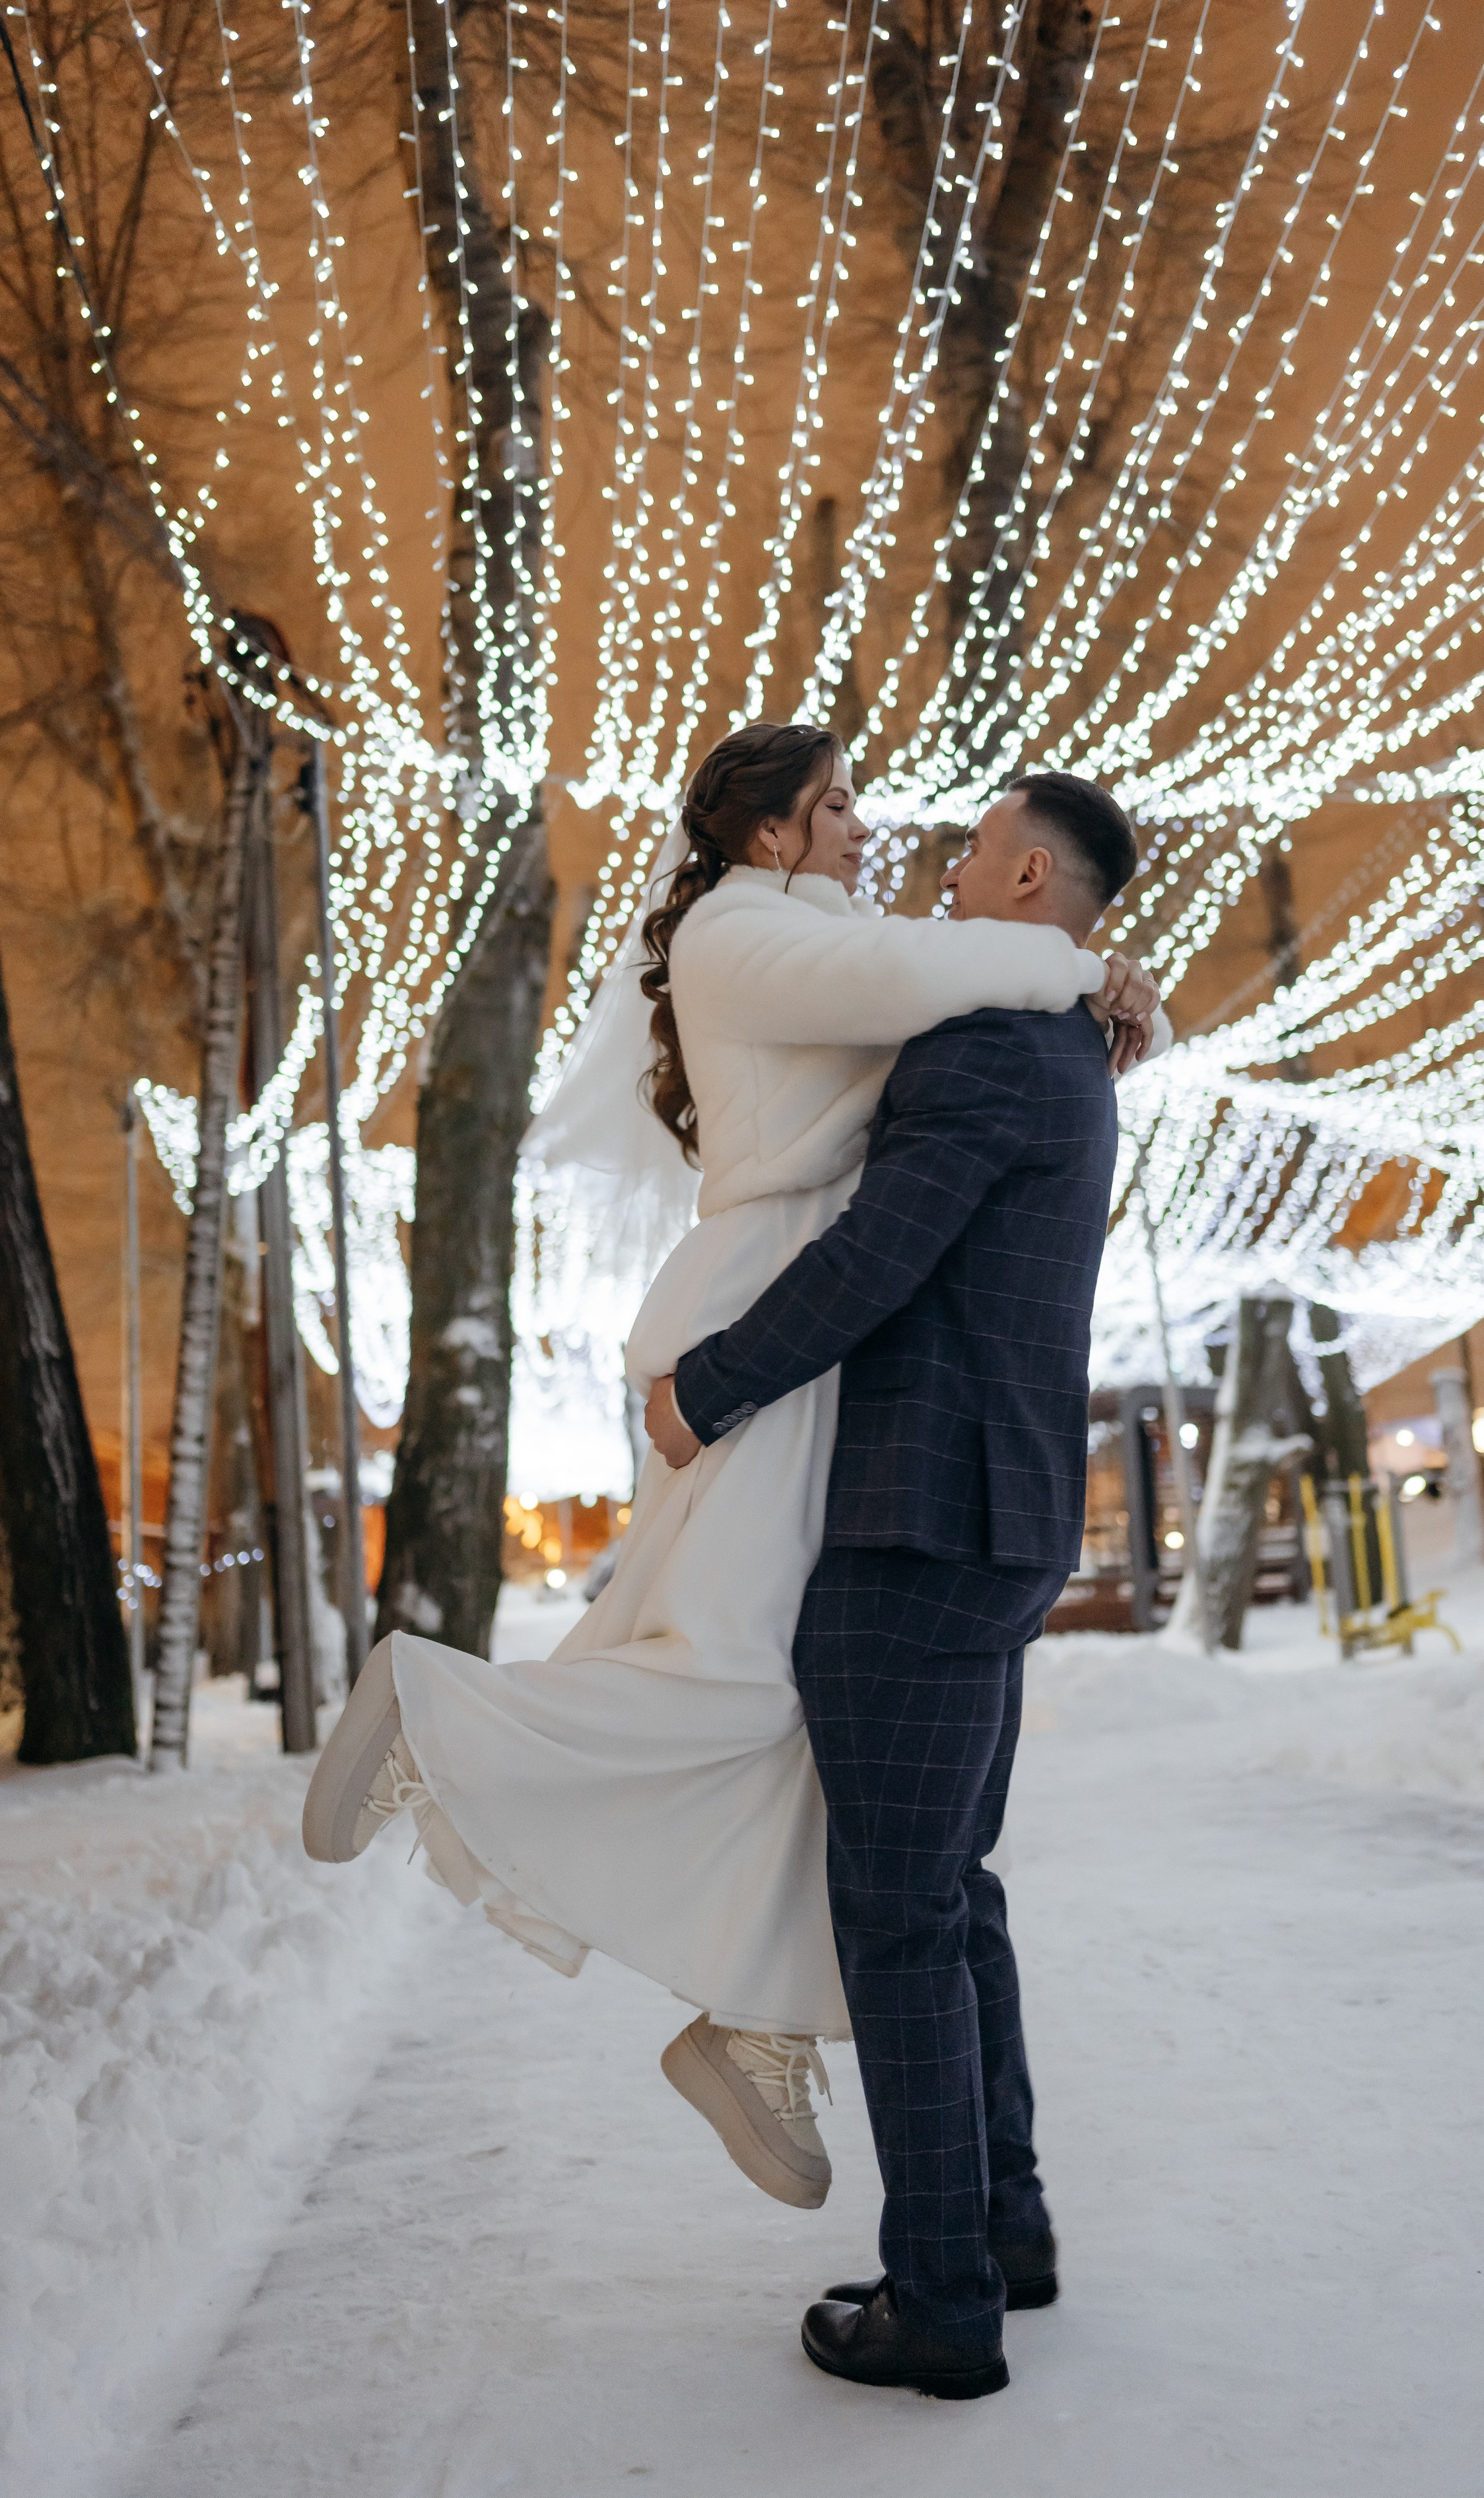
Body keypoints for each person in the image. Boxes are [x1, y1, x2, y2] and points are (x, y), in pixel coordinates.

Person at [302, 723, 1163, 2228]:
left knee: (780, 1703)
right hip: (767, 1318)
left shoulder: (853, 949)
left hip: (823, 1362)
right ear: (767, 833)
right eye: (836, 804)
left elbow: (932, 971)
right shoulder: (741, 935)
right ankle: (444, 1719)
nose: (877, 832)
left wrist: (1105, 973)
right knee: (738, 1669)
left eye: (934, 832)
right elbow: (924, 979)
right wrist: (1087, 967)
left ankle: (758, 2019)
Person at [642, 766, 1143, 2400]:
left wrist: (706, 1386)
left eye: (977, 846)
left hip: (916, 1522)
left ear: (1027, 881)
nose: (943, 865)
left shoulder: (992, 1041)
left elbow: (874, 1257)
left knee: (901, 1922)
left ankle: (940, 2303)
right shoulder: (1056, 1033)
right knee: (950, 1894)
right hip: (994, 1511)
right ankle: (1000, 2228)